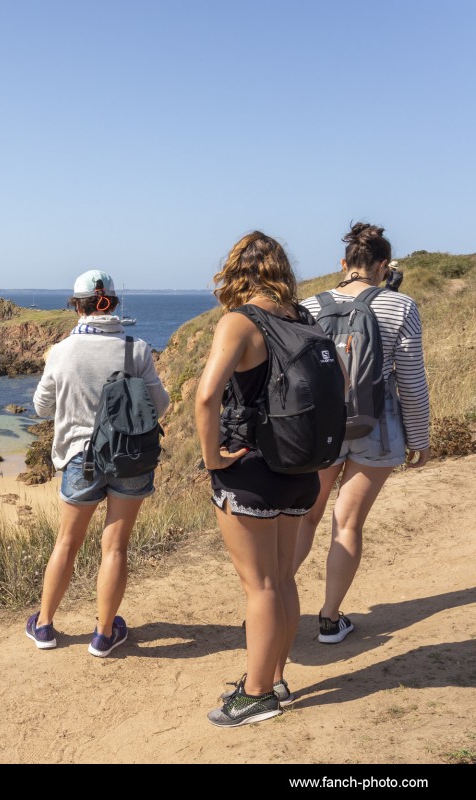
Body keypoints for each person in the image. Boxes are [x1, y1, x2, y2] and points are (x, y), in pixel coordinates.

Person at [195, 231, 319, 726]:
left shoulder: (241, 322)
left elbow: (206, 398)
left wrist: (212, 459)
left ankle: (256, 693)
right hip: (300, 470)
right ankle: (276, 678)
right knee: (282, 579)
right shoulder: (302, 319)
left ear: (236, 271)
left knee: (260, 585)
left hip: (251, 472)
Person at [293, 223, 431, 643]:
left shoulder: (309, 307)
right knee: (347, 522)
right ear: (382, 266)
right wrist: (419, 437)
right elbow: (411, 380)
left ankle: (272, 601)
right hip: (379, 424)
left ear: (344, 264)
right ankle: (330, 619)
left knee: (306, 516)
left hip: (321, 426)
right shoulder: (401, 306)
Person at [27, 270, 169, 656]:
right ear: (112, 304)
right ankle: (104, 635)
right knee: (115, 548)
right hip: (130, 457)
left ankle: (44, 626)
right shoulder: (135, 349)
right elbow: (161, 405)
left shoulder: (61, 351)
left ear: (77, 305)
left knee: (67, 543)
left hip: (80, 460)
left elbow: (41, 408)